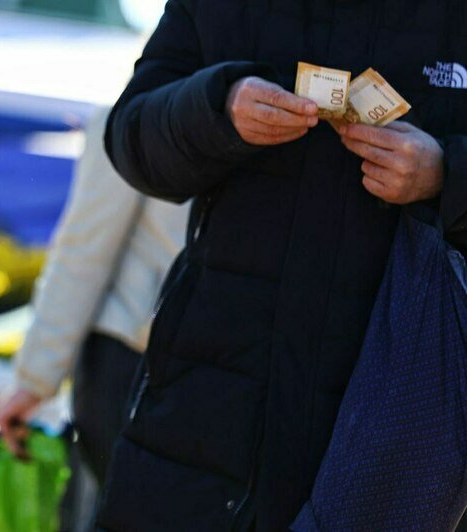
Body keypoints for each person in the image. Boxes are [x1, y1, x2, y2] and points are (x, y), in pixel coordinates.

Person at [97, 1, 467, 530]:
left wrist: (445, 176)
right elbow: (130, 138)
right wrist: (218, 107)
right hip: (202, 424)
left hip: (394, 432)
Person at [0, 109, 189, 487]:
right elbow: (84, 253)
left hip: (142, 362)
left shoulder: (146, 108)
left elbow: (82, 251)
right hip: (133, 364)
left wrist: (32, 381)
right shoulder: (144, 109)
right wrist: (34, 379)